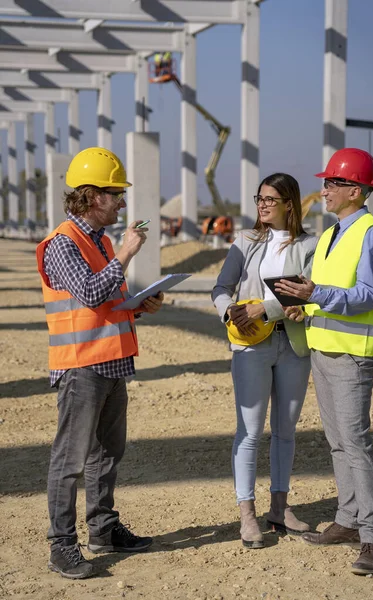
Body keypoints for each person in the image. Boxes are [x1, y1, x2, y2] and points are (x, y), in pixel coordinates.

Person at [36, 147, 164, 580]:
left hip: (111, 364)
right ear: (92, 197)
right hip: (80, 368)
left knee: (108, 453)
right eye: (116, 194)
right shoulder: (62, 245)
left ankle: (104, 530)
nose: (123, 202)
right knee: (70, 460)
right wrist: (127, 253)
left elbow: (104, 302)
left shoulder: (100, 242)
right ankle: (61, 546)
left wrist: (137, 305)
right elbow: (89, 292)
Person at [275, 148, 373, 575]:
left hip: (353, 354)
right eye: (326, 182)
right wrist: (303, 307)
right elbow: (326, 292)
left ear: (357, 190)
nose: (324, 189)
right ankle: (348, 520)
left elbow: (365, 296)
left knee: (357, 444)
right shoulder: (332, 233)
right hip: (324, 349)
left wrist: (316, 296)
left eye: (333, 183)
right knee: (339, 443)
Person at [212, 173, 317, 548]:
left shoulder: (310, 244)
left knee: (285, 431)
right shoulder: (245, 241)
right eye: (260, 198)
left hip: (293, 346)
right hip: (250, 347)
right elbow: (220, 288)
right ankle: (247, 515)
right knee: (250, 431)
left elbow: (308, 293)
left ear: (290, 203)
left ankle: (280, 507)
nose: (263, 204)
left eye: (271, 199)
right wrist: (230, 314)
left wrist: (264, 309)